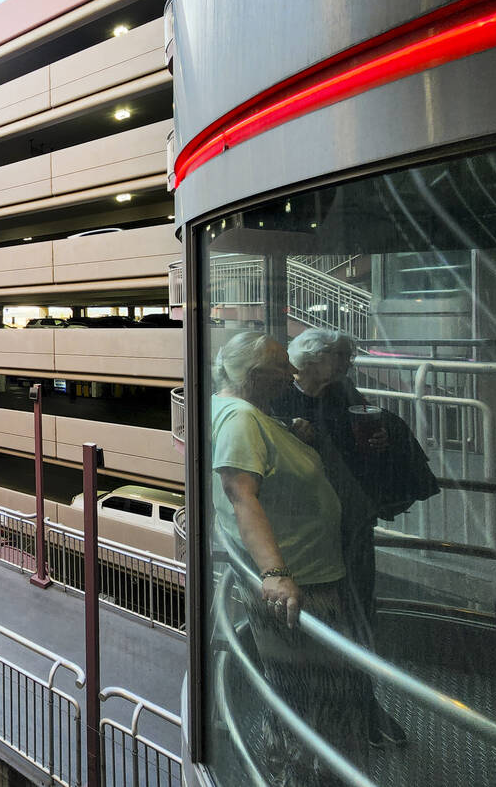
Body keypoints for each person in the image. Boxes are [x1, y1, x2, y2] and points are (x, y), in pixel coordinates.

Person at [211, 331, 368, 785]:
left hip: (309, 576)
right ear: (255, 376)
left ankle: (304, 771)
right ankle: (290, 777)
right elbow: (241, 494)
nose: (293, 374)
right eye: (283, 367)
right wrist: (276, 574)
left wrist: (292, 432)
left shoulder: (248, 413)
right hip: (298, 583)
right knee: (303, 693)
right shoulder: (240, 417)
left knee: (309, 690)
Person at [274, 328, 435, 748]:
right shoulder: (279, 401)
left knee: (359, 615)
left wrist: (383, 441)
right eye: (340, 356)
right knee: (322, 623)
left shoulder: (342, 390)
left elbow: (368, 430)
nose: (348, 363)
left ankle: (361, 704)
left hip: (351, 527)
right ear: (311, 360)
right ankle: (324, 713)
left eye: (348, 356)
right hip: (306, 536)